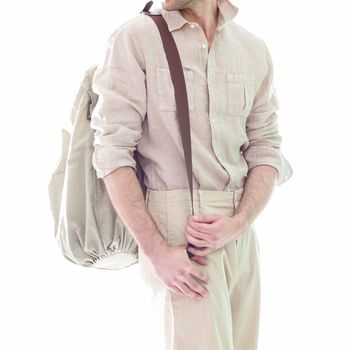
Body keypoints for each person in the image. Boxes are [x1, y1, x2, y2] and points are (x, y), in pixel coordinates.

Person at [90, 0, 293, 349]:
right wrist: (155, 250)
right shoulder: (135, 39)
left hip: (241, 233)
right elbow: (112, 151)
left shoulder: (251, 48)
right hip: (177, 231)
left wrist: (241, 221)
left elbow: (266, 147)